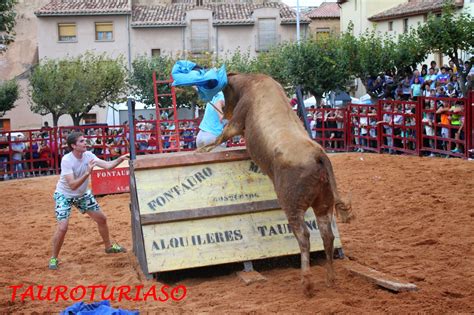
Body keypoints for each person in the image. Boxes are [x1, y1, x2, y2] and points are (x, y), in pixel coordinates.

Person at [49, 132, 129, 270]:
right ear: (73, 145)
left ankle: (108, 247)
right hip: (64, 195)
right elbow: (72, 185)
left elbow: (108, 166)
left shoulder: (89, 156)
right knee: (63, 227)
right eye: (81, 141)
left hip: (81, 195)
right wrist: (87, 172)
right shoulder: (67, 160)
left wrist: (121, 158)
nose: (85, 143)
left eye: (84, 140)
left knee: (102, 219)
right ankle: (54, 258)